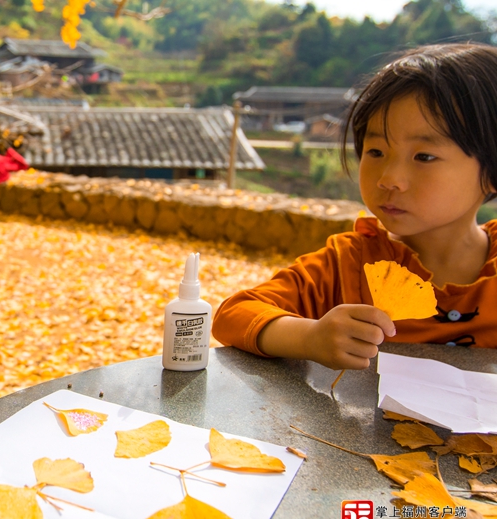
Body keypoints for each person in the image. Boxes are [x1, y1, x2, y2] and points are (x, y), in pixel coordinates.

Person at [213, 43, 497, 369]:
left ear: (491, 173)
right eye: (376, 152)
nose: (389, 179)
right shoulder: (348, 265)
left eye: (424, 157)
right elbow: (234, 314)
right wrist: (310, 337)